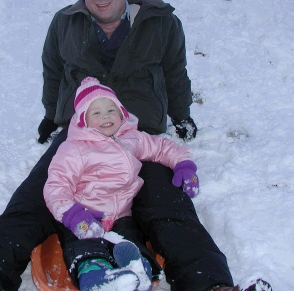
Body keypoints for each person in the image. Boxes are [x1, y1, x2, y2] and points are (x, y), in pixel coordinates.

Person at [0, 0, 271, 291]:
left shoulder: (161, 23)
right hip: (78, 136)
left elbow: (176, 71)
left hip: (138, 134)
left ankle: (212, 285)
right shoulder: (64, 22)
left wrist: (182, 115)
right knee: (28, 207)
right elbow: (52, 70)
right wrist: (51, 116)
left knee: (170, 211)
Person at [43, 77, 200, 291]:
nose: (105, 116)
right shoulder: (74, 149)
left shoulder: (131, 139)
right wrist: (72, 214)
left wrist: (183, 164)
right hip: (85, 217)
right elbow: (56, 185)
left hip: (122, 217)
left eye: (111, 110)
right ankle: (97, 280)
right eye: (96, 113)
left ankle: (137, 273)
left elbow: (161, 147)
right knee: (87, 249)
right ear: (83, 120)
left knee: (131, 244)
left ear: (121, 113)